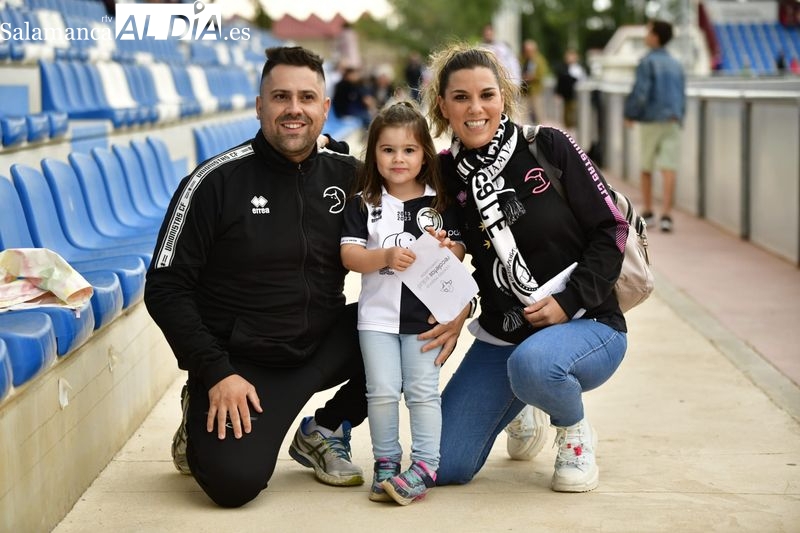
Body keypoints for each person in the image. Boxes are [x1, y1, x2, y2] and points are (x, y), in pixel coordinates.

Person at [144, 46, 371, 508]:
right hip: (243, 365)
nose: (294, 109)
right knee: (233, 484)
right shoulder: (213, 181)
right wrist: (214, 371)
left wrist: (455, 299)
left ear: (325, 108)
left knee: (421, 328)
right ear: (259, 105)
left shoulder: (351, 177)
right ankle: (200, 406)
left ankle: (325, 430)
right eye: (281, 96)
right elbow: (165, 286)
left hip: (322, 346)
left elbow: (419, 199)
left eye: (307, 98)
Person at [422, 43, 629, 493]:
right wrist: (451, 280)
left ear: (504, 97)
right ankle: (526, 402)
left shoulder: (547, 146)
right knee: (442, 462)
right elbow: (458, 251)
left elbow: (612, 229)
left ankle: (573, 434)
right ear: (443, 105)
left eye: (487, 95)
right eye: (460, 97)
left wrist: (569, 300)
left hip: (587, 322)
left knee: (534, 364)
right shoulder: (445, 172)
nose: (475, 108)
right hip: (504, 333)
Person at [340, 101, 465, 505]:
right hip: (376, 318)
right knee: (380, 390)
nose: (398, 159)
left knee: (423, 391)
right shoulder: (365, 202)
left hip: (425, 319)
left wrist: (449, 249)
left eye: (409, 150)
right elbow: (350, 256)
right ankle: (387, 463)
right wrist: (386, 258)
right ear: (373, 153)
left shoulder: (438, 202)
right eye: (388, 149)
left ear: (424, 154)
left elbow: (460, 249)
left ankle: (426, 464)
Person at [624, 19, 686, 233]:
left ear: (656, 36)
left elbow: (641, 92)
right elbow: (681, 93)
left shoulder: (647, 62)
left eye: (648, 32)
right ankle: (667, 214)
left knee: (646, 166)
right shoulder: (676, 63)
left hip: (651, 119)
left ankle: (649, 211)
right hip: (673, 119)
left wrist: (631, 113)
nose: (645, 35)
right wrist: (680, 116)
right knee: (669, 168)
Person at [481, 23, 523, 89]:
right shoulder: (480, 49)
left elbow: (513, 64)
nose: (488, 35)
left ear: (493, 33)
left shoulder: (503, 48)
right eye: (486, 33)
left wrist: (516, 82)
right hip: (488, 81)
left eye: (490, 33)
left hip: (506, 82)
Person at [554, 49, 586, 130]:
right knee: (566, 112)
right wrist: (557, 93)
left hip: (575, 95)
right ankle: (568, 128)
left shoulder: (579, 68)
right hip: (566, 95)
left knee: (574, 112)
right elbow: (560, 82)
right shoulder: (562, 68)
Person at [520, 39, 550, 123]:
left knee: (538, 112)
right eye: (526, 50)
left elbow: (542, 74)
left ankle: (540, 131)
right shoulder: (523, 59)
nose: (527, 52)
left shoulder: (539, 60)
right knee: (523, 113)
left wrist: (531, 77)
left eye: (529, 50)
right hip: (524, 90)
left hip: (535, 91)